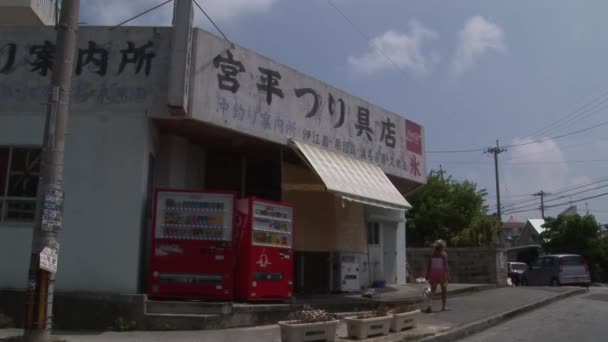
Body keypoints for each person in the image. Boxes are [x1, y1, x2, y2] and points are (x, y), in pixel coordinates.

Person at [424, 239, 449, 313]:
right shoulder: (444, 254)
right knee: (444, 290)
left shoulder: (432, 254)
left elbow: (429, 265)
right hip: (441, 273)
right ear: (442, 246)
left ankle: (430, 305)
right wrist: (447, 275)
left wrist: (427, 275)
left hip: (433, 273)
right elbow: (445, 266)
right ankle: (443, 307)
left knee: (433, 290)